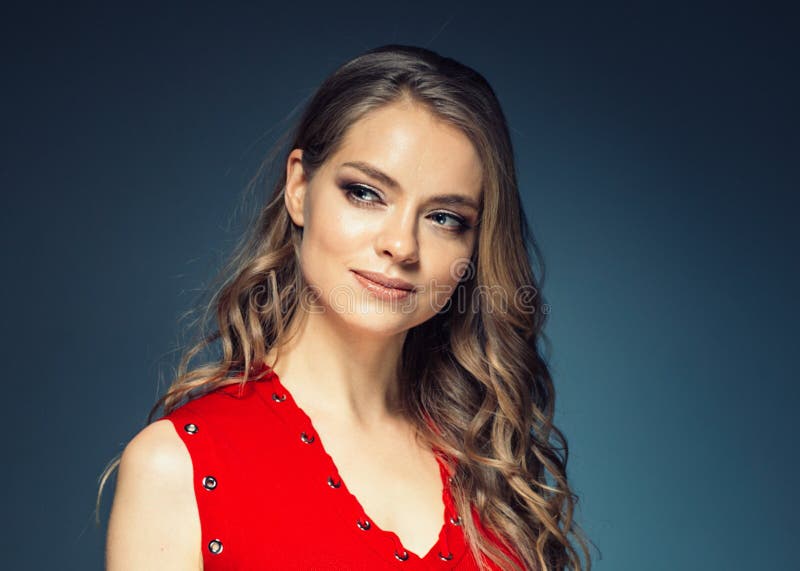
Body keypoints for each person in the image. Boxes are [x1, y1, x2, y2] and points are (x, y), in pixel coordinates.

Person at [99, 44, 591, 571]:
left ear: (474, 245)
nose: (402, 245)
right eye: (366, 193)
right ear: (299, 188)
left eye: (445, 217)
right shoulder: (176, 467)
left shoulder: (492, 467)